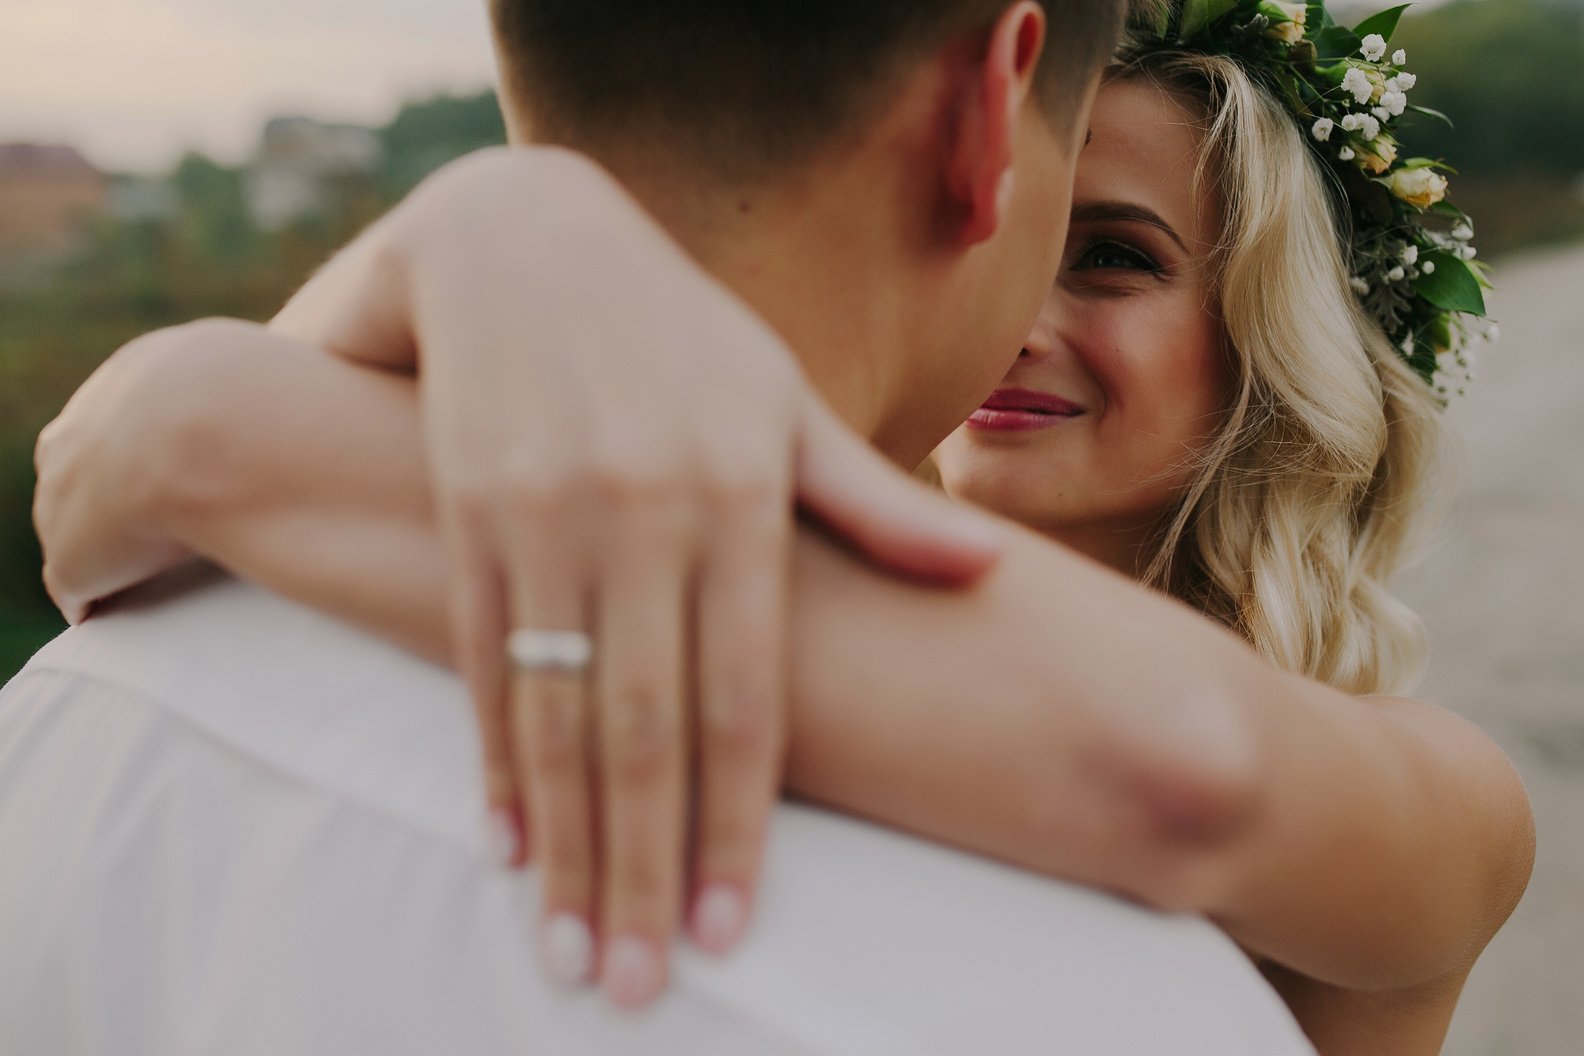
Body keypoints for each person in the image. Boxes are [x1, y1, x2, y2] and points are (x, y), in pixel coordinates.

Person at [20, 0, 1540, 1052]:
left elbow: (1176, 767)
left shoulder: (1439, 802)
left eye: (1120, 259)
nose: (1026, 319)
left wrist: (197, 415)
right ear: (985, 124)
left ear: (1277, 344)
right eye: (1045, 235)